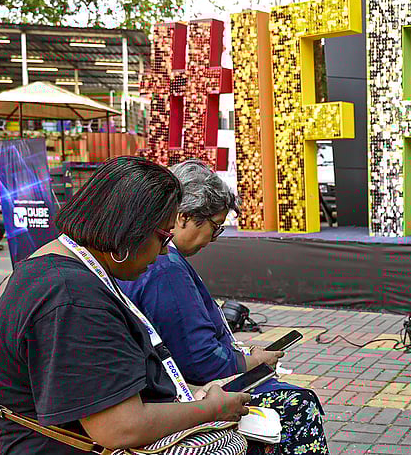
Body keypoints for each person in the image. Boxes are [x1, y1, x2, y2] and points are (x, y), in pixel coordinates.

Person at [0, 156, 253, 454]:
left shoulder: (52, 268)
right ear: (129, 230)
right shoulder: (72, 299)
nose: (164, 253)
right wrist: (211, 409)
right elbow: (120, 428)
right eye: (163, 237)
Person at [119, 159, 328, 455]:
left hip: (168, 387)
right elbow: (200, 361)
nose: (212, 240)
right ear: (182, 217)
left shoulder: (151, 260)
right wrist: (252, 362)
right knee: (298, 404)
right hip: (187, 391)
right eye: (215, 228)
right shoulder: (166, 267)